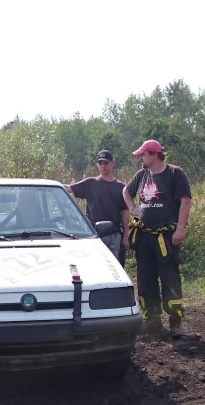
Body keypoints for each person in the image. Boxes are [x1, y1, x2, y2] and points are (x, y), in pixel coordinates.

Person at [123, 140, 192, 339]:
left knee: (170, 277)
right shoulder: (142, 175)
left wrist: (180, 230)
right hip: (144, 236)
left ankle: (175, 321)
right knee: (145, 277)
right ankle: (152, 319)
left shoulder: (174, 173)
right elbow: (126, 191)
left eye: (143, 155)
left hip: (166, 237)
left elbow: (185, 202)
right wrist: (133, 208)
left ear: (154, 154)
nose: (140, 158)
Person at [64, 150, 129, 261]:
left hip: (114, 234)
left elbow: (125, 212)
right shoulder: (90, 183)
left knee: (115, 266)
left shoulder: (121, 187)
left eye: (106, 163)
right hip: (94, 235)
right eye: (100, 163)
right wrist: (53, 186)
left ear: (113, 162)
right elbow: (69, 188)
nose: (103, 166)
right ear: (97, 164)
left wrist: (126, 237)